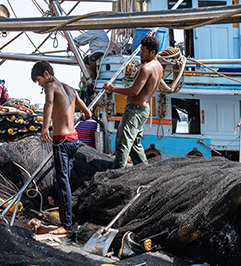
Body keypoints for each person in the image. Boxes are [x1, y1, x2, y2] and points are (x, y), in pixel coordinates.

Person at [32, 61, 91, 236]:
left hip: (62, 142)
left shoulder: (51, 86)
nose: (39, 84)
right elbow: (87, 114)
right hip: (74, 140)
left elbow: (48, 104)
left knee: (63, 182)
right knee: (63, 179)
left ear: (46, 74)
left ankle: (66, 225)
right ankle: (58, 203)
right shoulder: (70, 89)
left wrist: (45, 128)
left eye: (38, 79)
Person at [103, 35, 162, 170]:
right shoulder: (158, 67)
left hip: (134, 110)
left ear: (152, 52)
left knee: (122, 143)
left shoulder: (146, 68)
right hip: (143, 111)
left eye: (143, 51)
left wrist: (112, 89)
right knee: (134, 144)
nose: (140, 53)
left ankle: (116, 175)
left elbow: (134, 91)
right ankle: (145, 173)